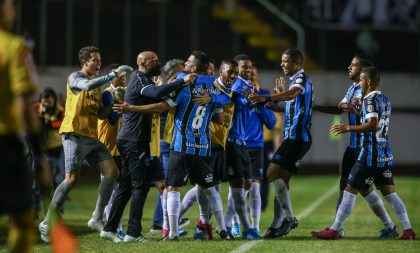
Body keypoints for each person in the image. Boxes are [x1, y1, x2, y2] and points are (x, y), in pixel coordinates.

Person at [113, 51, 228, 241]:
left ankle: (172, 232)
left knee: (173, 187)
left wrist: (131, 107)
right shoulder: (214, 88)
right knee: (208, 187)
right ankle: (223, 229)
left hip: (181, 144)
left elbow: (161, 107)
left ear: (193, 68)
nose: (185, 63)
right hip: (203, 146)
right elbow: (219, 118)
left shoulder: (184, 85)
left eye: (188, 61)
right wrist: (210, 103)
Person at [38, 46, 133, 243]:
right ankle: (47, 222)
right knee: (71, 180)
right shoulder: (75, 77)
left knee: (112, 172)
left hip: (92, 137)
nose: (99, 64)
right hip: (74, 134)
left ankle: (97, 218)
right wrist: (112, 75)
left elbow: (101, 115)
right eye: (95, 60)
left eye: (100, 60)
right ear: (84, 62)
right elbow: (86, 86)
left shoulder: (97, 87)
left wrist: (113, 103)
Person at [100, 51, 196, 243]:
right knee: (140, 186)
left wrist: (172, 88)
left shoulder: (144, 79)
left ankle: (109, 229)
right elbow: (155, 94)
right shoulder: (140, 78)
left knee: (126, 185)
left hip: (132, 139)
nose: (157, 62)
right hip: (135, 140)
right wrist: (182, 81)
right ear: (143, 63)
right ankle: (133, 233)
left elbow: (159, 101)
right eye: (153, 60)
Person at [312, 66, 416, 240]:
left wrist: (348, 128)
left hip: (369, 153)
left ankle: (335, 229)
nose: (358, 82)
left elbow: (373, 124)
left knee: (349, 188)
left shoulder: (368, 100)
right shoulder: (384, 99)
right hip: (384, 152)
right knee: (390, 192)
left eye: (361, 79)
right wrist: (360, 110)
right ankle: (408, 230)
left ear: (368, 81)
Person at [0, 0, 52, 252]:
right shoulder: (14, 47)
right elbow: (23, 107)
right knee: (22, 221)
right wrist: (39, 156)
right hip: (4, 143)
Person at [247, 49, 313, 238]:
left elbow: (292, 94)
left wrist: (268, 97)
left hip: (297, 138)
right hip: (292, 138)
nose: (282, 64)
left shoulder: (301, 80)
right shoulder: (296, 81)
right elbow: (291, 105)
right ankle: (277, 225)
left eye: (286, 61)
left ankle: (289, 218)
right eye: (282, 61)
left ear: (298, 63)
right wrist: (273, 105)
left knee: (271, 174)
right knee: (280, 181)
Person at [175, 59, 239, 239]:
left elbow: (225, 100)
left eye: (236, 73)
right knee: (205, 186)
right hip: (206, 143)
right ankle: (200, 224)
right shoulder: (210, 86)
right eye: (230, 72)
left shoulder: (226, 92)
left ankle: (202, 226)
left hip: (220, 144)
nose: (233, 76)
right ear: (220, 72)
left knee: (208, 186)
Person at [222, 54, 260, 239]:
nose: (248, 70)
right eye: (244, 67)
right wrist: (255, 97)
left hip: (241, 142)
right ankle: (239, 227)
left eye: (250, 67)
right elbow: (245, 101)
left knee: (246, 184)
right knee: (234, 185)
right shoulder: (237, 85)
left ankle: (228, 224)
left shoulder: (247, 86)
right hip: (231, 142)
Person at [150, 58, 186, 234]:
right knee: (166, 182)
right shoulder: (165, 85)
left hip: (167, 138)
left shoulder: (168, 85)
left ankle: (165, 220)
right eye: (182, 70)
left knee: (167, 182)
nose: (184, 73)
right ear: (173, 73)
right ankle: (159, 222)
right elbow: (161, 108)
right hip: (165, 138)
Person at [97, 64, 128, 239]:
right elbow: (112, 119)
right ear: (112, 76)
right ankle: (111, 226)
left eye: (125, 75)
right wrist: (120, 103)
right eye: (121, 74)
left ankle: (115, 226)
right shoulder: (107, 93)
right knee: (112, 190)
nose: (124, 77)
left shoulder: (122, 92)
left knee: (120, 190)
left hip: (120, 147)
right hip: (106, 147)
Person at [244, 64, 276, 233]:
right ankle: (234, 224)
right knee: (238, 188)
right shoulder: (236, 93)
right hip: (237, 145)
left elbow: (271, 123)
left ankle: (255, 227)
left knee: (256, 185)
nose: (250, 76)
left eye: (253, 74)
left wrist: (260, 104)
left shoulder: (264, 95)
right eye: (247, 74)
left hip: (256, 146)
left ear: (257, 76)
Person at [34, 88, 65, 190]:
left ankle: (57, 195)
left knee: (59, 172)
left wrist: (47, 122)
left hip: (58, 146)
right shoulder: (37, 108)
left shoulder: (59, 110)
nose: (47, 103)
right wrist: (42, 116)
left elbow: (61, 124)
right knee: (41, 172)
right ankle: (40, 196)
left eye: (50, 101)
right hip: (42, 147)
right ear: (41, 100)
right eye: (45, 101)